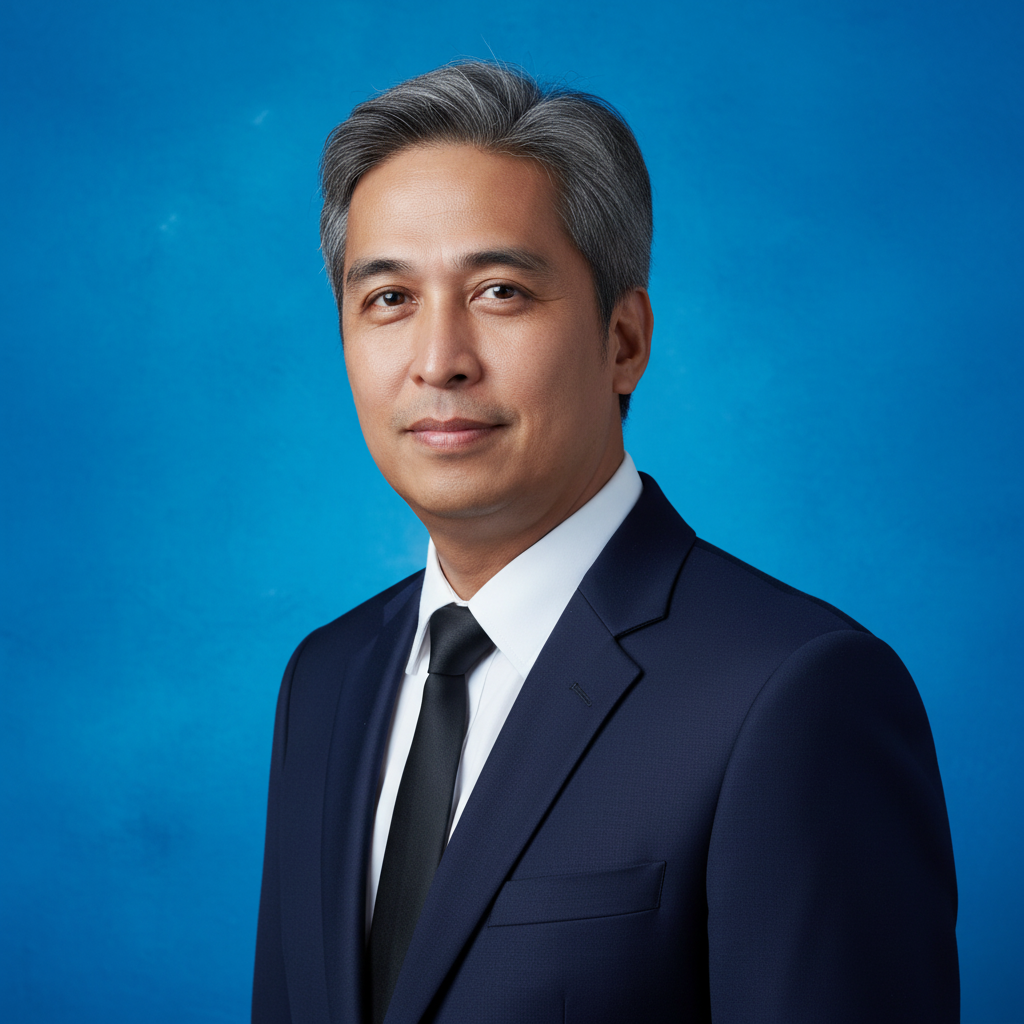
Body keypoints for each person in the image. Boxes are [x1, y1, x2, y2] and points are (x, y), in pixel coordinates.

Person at [252, 61, 958, 1024]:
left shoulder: (794, 692)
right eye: (389, 299)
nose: (437, 360)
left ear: (623, 339)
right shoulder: (325, 681)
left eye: (499, 290)